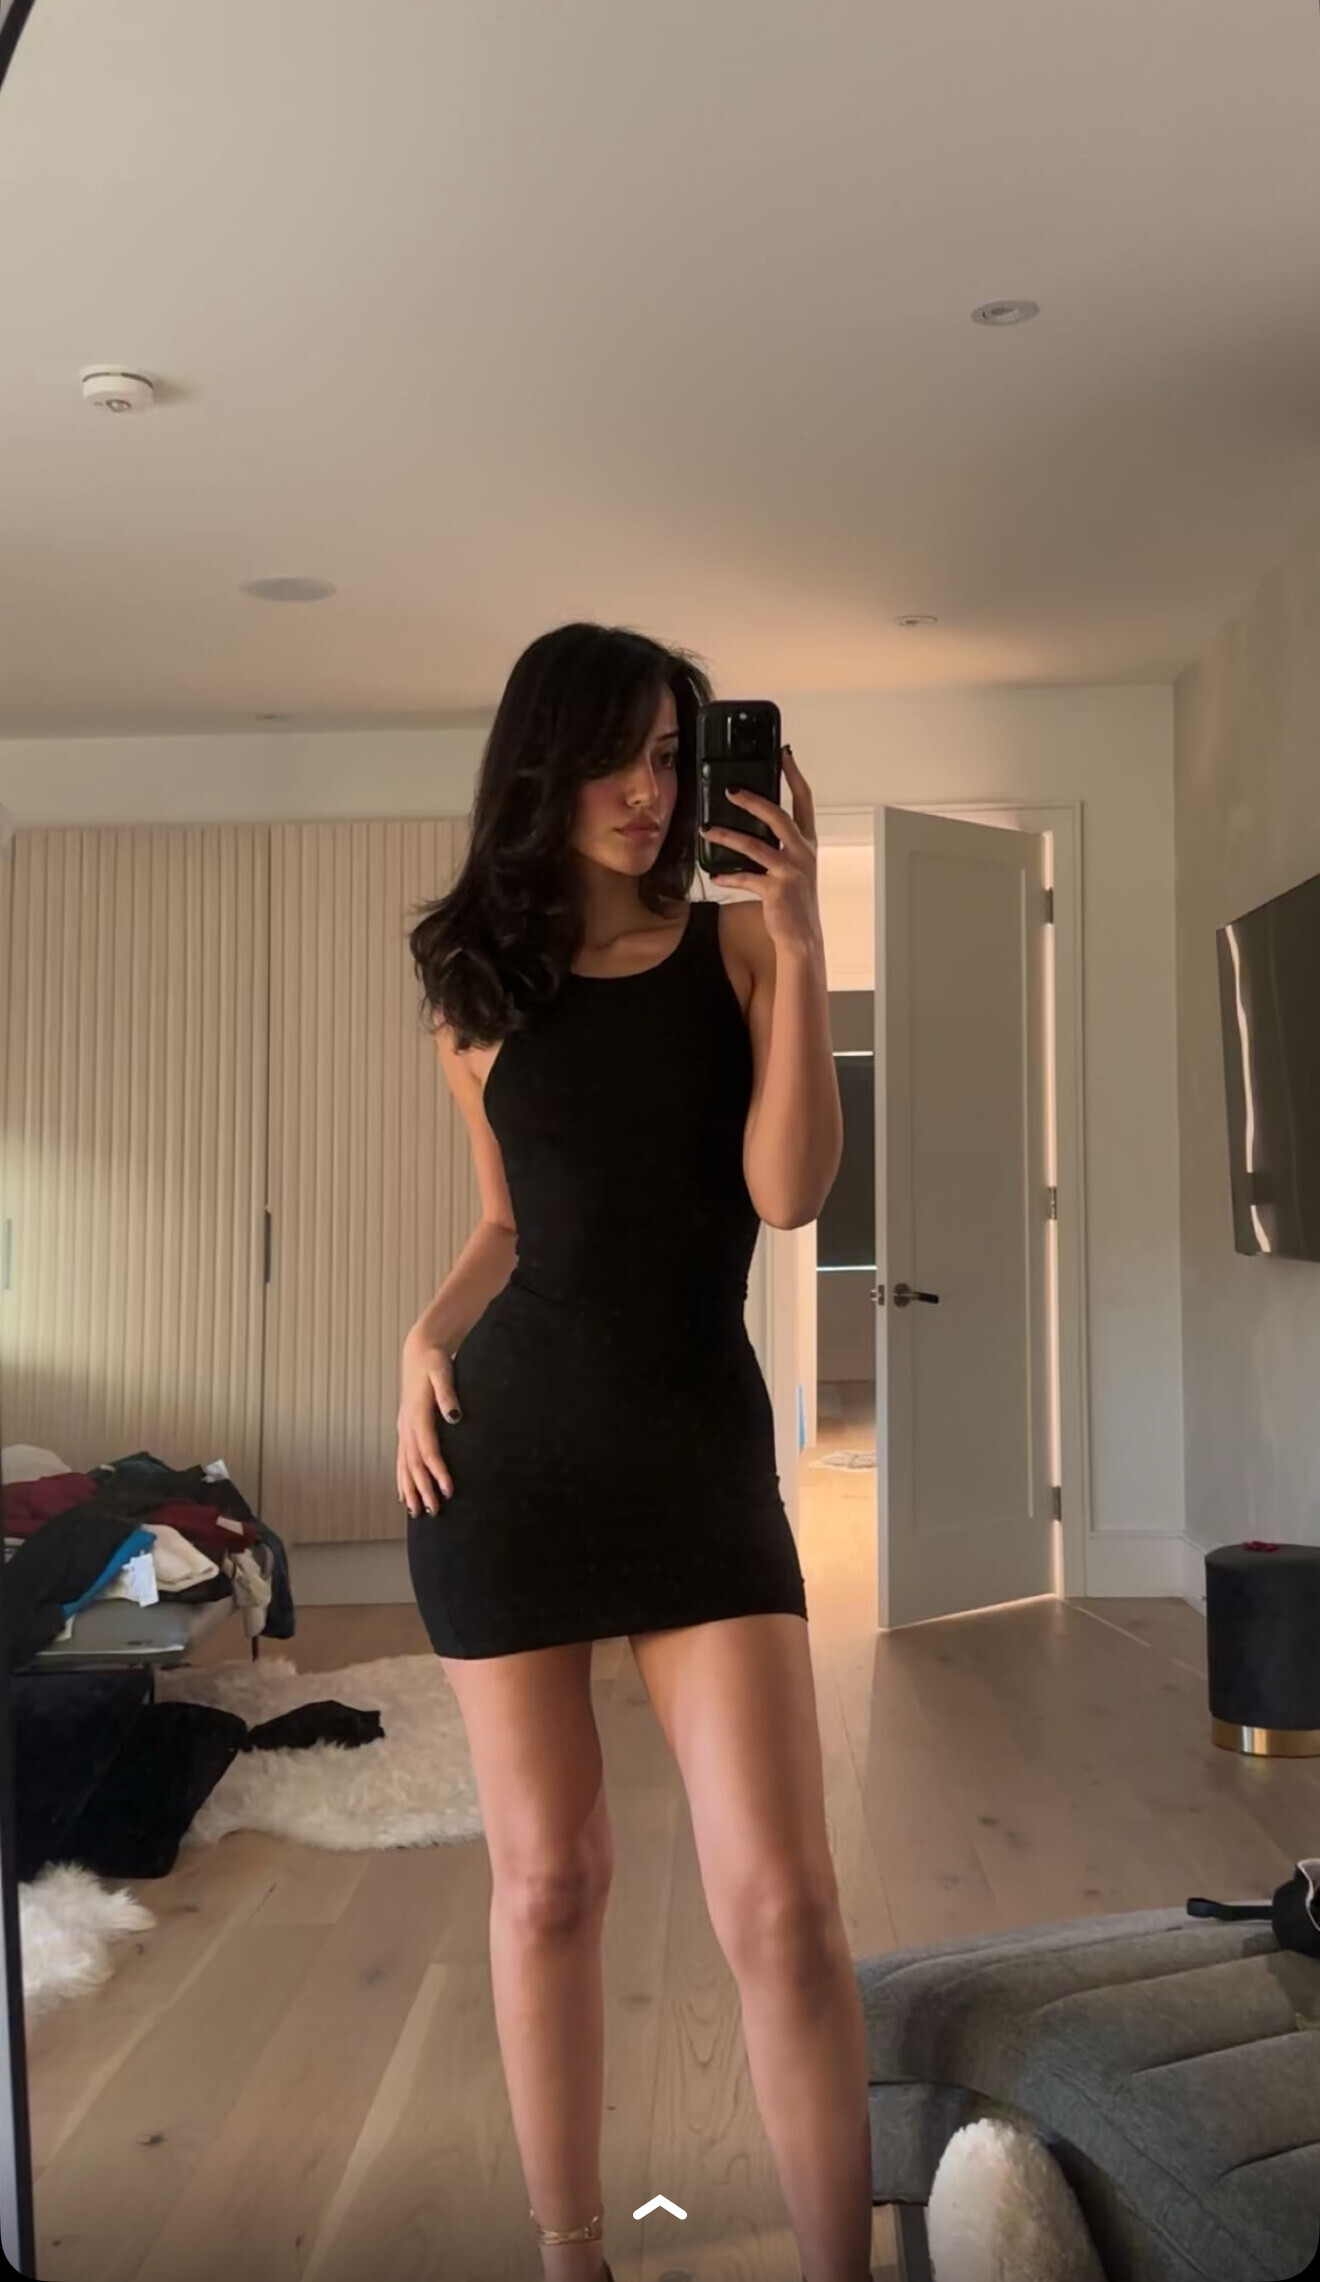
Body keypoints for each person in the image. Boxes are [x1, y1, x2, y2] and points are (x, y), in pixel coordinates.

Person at [398, 622, 874, 2282]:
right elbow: (506, 1223)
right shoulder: (475, 992)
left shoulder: (737, 947)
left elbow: (788, 1193)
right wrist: (421, 1336)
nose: (650, 788)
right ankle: (575, 2255)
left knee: (785, 1910)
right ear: (543, 760)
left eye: (671, 754)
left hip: (695, 1463)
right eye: (617, 753)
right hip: (508, 1469)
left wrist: (802, 941)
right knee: (548, 1882)